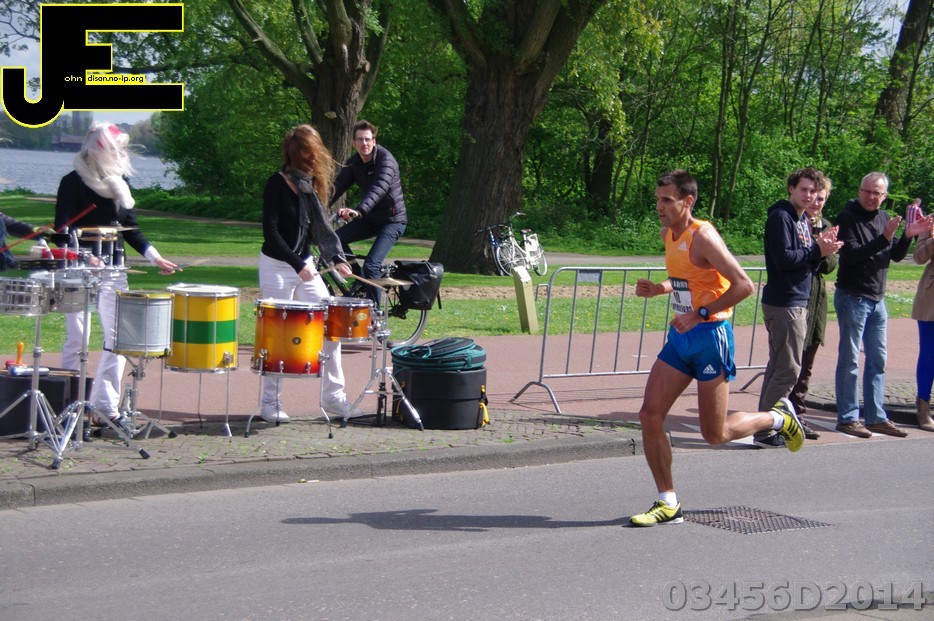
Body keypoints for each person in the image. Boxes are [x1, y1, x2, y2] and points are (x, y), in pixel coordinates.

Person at [629, 170, 804, 527]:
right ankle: (668, 502)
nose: (659, 207)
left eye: (667, 200)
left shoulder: (704, 236)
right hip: (682, 339)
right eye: (657, 199)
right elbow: (686, 279)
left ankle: (778, 419)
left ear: (688, 201)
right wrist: (659, 289)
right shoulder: (667, 233)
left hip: (711, 337)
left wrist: (700, 314)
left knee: (715, 434)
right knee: (649, 415)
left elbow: (744, 285)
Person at [54, 122, 180, 423]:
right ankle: (69, 406)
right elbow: (61, 232)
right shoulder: (72, 182)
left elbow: (131, 229)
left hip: (113, 269)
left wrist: (154, 257)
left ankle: (104, 407)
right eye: (114, 149)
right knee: (78, 337)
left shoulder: (119, 183)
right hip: (78, 269)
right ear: (97, 150)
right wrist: (85, 255)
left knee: (117, 339)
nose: (120, 154)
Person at [258, 124, 361, 423]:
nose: (314, 157)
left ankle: (333, 396)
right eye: (309, 152)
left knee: (331, 324)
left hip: (304, 263)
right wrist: (297, 264)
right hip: (277, 266)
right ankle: (270, 403)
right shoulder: (276, 184)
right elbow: (271, 233)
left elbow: (318, 229)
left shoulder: (309, 186)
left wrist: (336, 258)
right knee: (277, 335)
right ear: (296, 153)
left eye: (315, 151)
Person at [832, 172, 930, 438]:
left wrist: (907, 235)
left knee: (878, 360)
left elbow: (895, 255)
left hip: (878, 299)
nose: (871, 197)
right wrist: (884, 238)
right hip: (853, 296)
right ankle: (848, 417)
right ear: (859, 190)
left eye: (877, 193)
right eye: (867, 191)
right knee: (850, 360)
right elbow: (851, 256)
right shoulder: (847, 217)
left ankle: (875, 416)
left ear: (884, 195)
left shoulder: (884, 217)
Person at [755, 168, 841, 447]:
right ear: (791, 188)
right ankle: (765, 430)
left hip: (797, 301)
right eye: (804, 189)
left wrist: (822, 250)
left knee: (778, 367)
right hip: (785, 302)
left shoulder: (803, 219)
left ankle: (764, 425)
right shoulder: (782, 216)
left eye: (814, 191)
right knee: (789, 369)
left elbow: (808, 262)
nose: (809, 196)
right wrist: (817, 251)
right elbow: (784, 259)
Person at [330, 120, 407, 306]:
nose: (364, 143)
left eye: (367, 139)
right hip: (371, 219)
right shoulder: (354, 163)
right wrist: (314, 207)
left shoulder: (386, 161)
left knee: (372, 265)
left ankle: (375, 314)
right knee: (336, 240)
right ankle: (360, 281)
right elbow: (337, 187)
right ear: (353, 143)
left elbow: (378, 190)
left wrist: (358, 211)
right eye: (360, 140)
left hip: (392, 220)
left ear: (374, 141)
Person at [788, 180, 839, 438]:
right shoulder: (792, 222)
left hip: (815, 299)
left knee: (806, 362)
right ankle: (779, 414)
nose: (815, 202)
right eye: (812, 196)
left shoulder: (826, 226)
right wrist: (815, 249)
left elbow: (830, 266)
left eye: (821, 199)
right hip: (794, 297)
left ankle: (798, 413)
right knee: (788, 362)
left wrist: (824, 248)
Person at [911, 204, 934, 431]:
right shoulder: (931, 221)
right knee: (929, 352)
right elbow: (918, 257)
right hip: (931, 299)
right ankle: (923, 406)